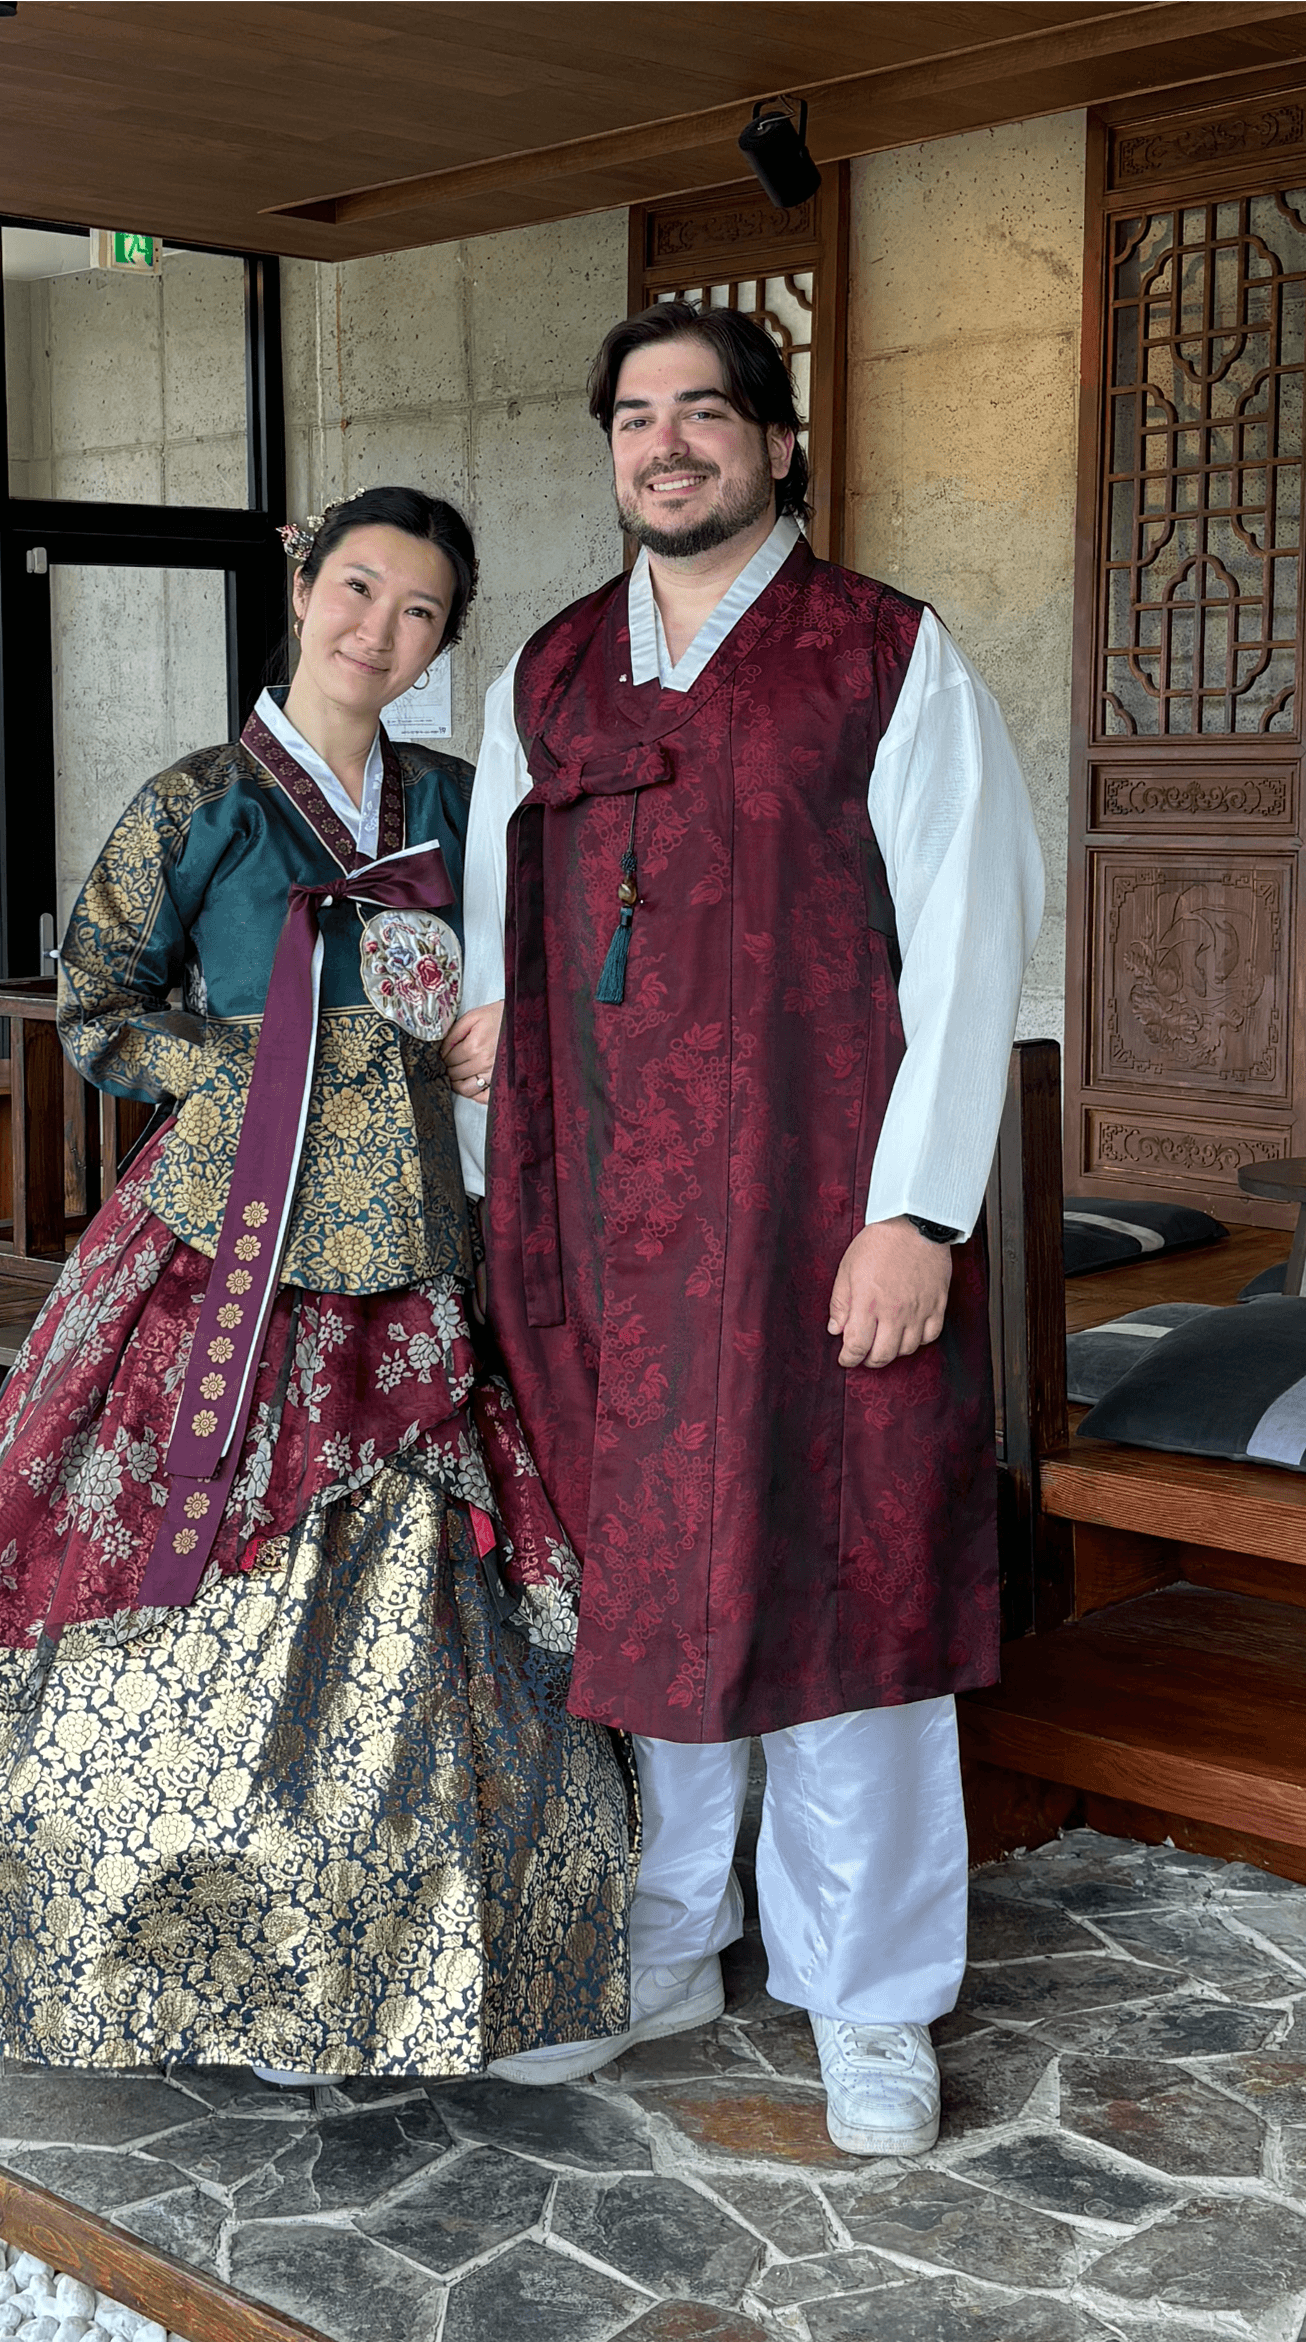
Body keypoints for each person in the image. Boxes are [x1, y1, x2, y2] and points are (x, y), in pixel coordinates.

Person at [0, 485, 634, 2083]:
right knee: (194, 1558)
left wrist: (507, 1022)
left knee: (422, 1586)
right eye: (357, 590)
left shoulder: (457, 797)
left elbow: (545, 960)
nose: (379, 632)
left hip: (419, 1241)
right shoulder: (197, 803)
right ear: (302, 585)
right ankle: (204, 1951)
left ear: (444, 637)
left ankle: (410, 1952)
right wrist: (266, 1066)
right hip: (233, 1237)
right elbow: (95, 1009)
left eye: (418, 611)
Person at [441, 305, 1044, 2152]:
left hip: (820, 1219)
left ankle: (872, 2000)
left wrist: (919, 1215)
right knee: (648, 1596)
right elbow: (493, 940)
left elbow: (974, 938)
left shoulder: (883, 656)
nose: (668, 444)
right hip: (604, 1226)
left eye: (706, 412)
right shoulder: (544, 674)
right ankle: (668, 1941)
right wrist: (495, 1188)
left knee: (842, 1591)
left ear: (778, 444)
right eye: (636, 416)